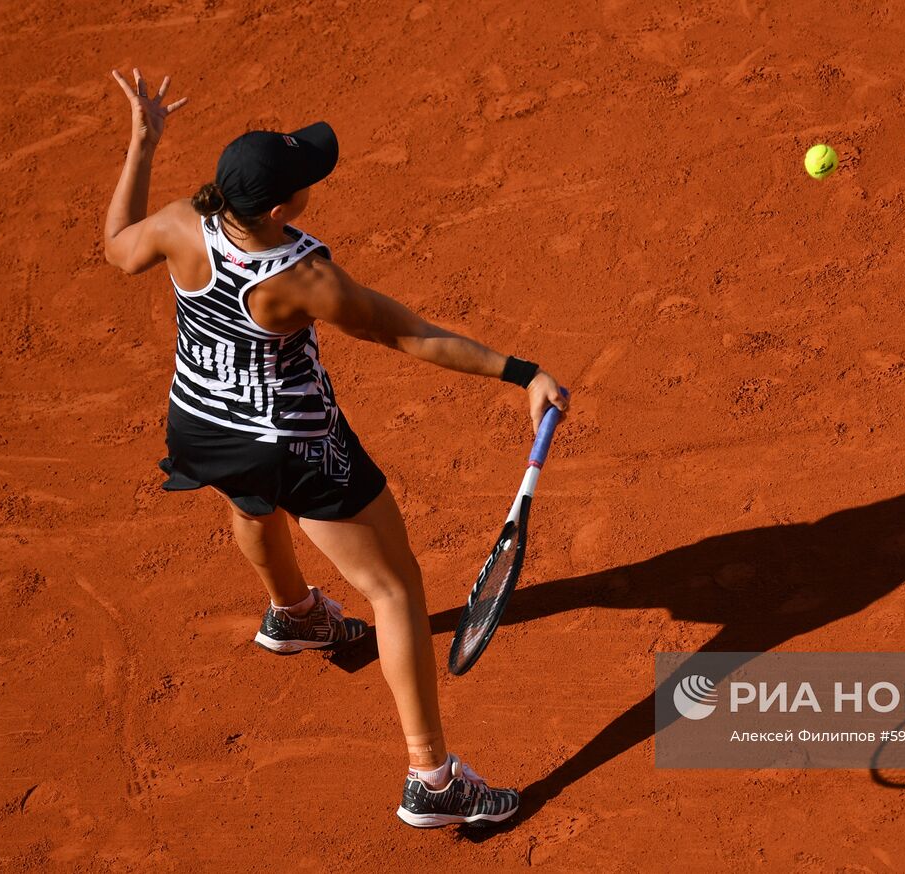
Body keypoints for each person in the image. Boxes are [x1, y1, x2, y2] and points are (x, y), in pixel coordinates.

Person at [102, 68, 567, 828]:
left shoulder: (185, 220)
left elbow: (119, 249)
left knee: (252, 500)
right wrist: (521, 372)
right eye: (303, 180)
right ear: (281, 207)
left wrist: (141, 144)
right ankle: (433, 778)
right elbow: (407, 333)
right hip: (291, 442)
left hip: (198, 425)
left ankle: (293, 613)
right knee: (395, 588)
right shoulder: (301, 276)